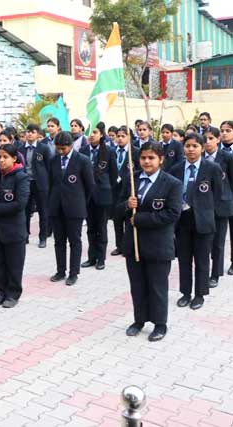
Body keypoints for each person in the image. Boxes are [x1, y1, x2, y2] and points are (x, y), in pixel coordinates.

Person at [117, 141, 182, 342]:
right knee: (137, 285)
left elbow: (172, 214)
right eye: (143, 157)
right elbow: (115, 209)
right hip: (134, 244)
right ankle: (139, 320)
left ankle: (160, 323)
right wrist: (127, 205)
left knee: (157, 286)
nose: (146, 161)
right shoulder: (132, 180)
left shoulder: (172, 183)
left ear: (161, 160)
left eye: (151, 158)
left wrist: (141, 219)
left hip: (158, 245)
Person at [169, 133, 222, 310]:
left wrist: (206, 211)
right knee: (184, 259)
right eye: (188, 146)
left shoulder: (212, 168)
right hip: (182, 221)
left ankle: (200, 294)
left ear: (202, 147)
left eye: (195, 146)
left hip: (203, 221)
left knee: (202, 259)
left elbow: (218, 194)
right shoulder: (176, 169)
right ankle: (185, 292)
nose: (191, 149)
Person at [0, 143, 30, 308]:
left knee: (14, 264)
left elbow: (20, 204)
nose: (1, 160)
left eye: (5, 157)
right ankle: (0, 292)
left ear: (14, 158)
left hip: (13, 229)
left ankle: (13, 294)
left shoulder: (21, 177)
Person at [48, 131, 95, 286]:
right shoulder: (53, 160)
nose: (60, 152)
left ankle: (73, 273)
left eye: (63, 149)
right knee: (59, 241)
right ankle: (60, 270)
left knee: (75, 241)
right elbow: (51, 183)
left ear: (71, 146)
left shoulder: (82, 160)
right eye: (58, 148)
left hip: (74, 208)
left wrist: (80, 202)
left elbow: (90, 187)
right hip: (56, 207)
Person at [80, 125, 118, 270]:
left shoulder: (108, 151)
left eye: (95, 132)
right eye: (90, 133)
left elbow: (114, 175)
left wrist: (105, 188)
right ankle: (91, 257)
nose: (92, 135)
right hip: (87, 196)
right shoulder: (83, 151)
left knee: (101, 228)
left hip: (103, 195)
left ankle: (101, 259)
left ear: (102, 135)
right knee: (90, 228)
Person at [203, 128, 233, 287]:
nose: (207, 142)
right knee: (205, 242)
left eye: (211, 138)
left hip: (222, 206)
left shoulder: (227, 157)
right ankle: (204, 270)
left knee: (218, 243)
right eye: (205, 138)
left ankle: (215, 274)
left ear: (218, 140)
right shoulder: (199, 157)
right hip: (204, 206)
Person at [18, 123, 52, 248]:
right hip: (25, 183)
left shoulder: (43, 148)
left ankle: (43, 237)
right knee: (25, 211)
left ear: (38, 134)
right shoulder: (21, 149)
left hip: (40, 184)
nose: (29, 134)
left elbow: (49, 166)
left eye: (32, 132)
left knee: (43, 210)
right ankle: (24, 235)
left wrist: (47, 182)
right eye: (28, 131)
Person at [111, 126, 140, 256]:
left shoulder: (135, 152)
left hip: (129, 190)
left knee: (129, 219)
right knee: (117, 220)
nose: (120, 139)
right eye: (118, 136)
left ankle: (130, 245)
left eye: (123, 136)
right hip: (114, 190)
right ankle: (119, 245)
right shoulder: (112, 151)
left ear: (129, 137)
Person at [221, 121, 233, 275]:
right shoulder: (216, 152)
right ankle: (216, 265)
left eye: (228, 130)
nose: (224, 133)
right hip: (220, 199)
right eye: (222, 130)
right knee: (219, 235)